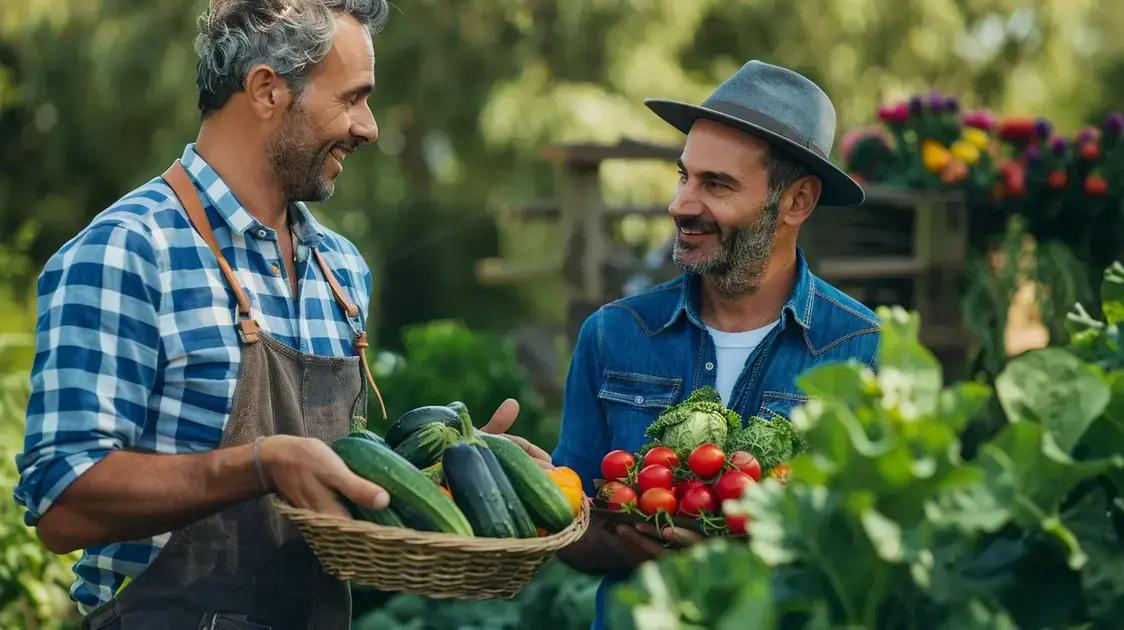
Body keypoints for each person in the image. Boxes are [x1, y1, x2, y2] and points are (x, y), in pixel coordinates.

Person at [12, 1, 540, 627]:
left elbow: (335, 492)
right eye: (352, 98)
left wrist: (464, 470)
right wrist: (260, 463)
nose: (368, 128)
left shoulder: (339, 269)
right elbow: (62, 505)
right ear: (266, 90)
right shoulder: (127, 252)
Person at [553, 60, 881, 628]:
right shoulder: (613, 333)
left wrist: (751, 556)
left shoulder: (858, 348)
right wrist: (566, 508)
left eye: (716, 185)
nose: (681, 204)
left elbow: (868, 551)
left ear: (798, 202)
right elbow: (571, 535)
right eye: (685, 176)